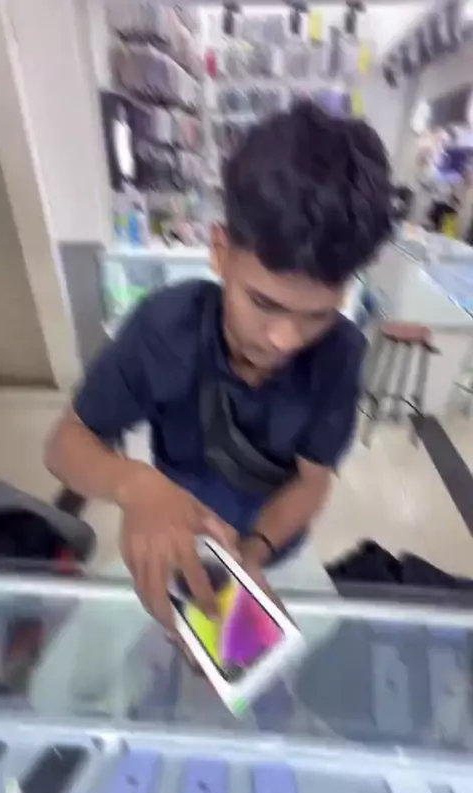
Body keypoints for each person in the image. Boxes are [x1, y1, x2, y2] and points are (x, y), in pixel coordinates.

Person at [45, 101, 392, 631]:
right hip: (172, 544)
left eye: (317, 315)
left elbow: (311, 482)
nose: (284, 340)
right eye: (264, 303)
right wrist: (134, 484)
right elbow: (65, 444)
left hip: (274, 554)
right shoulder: (166, 329)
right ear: (220, 251)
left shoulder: (340, 354)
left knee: (287, 665)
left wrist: (249, 558)